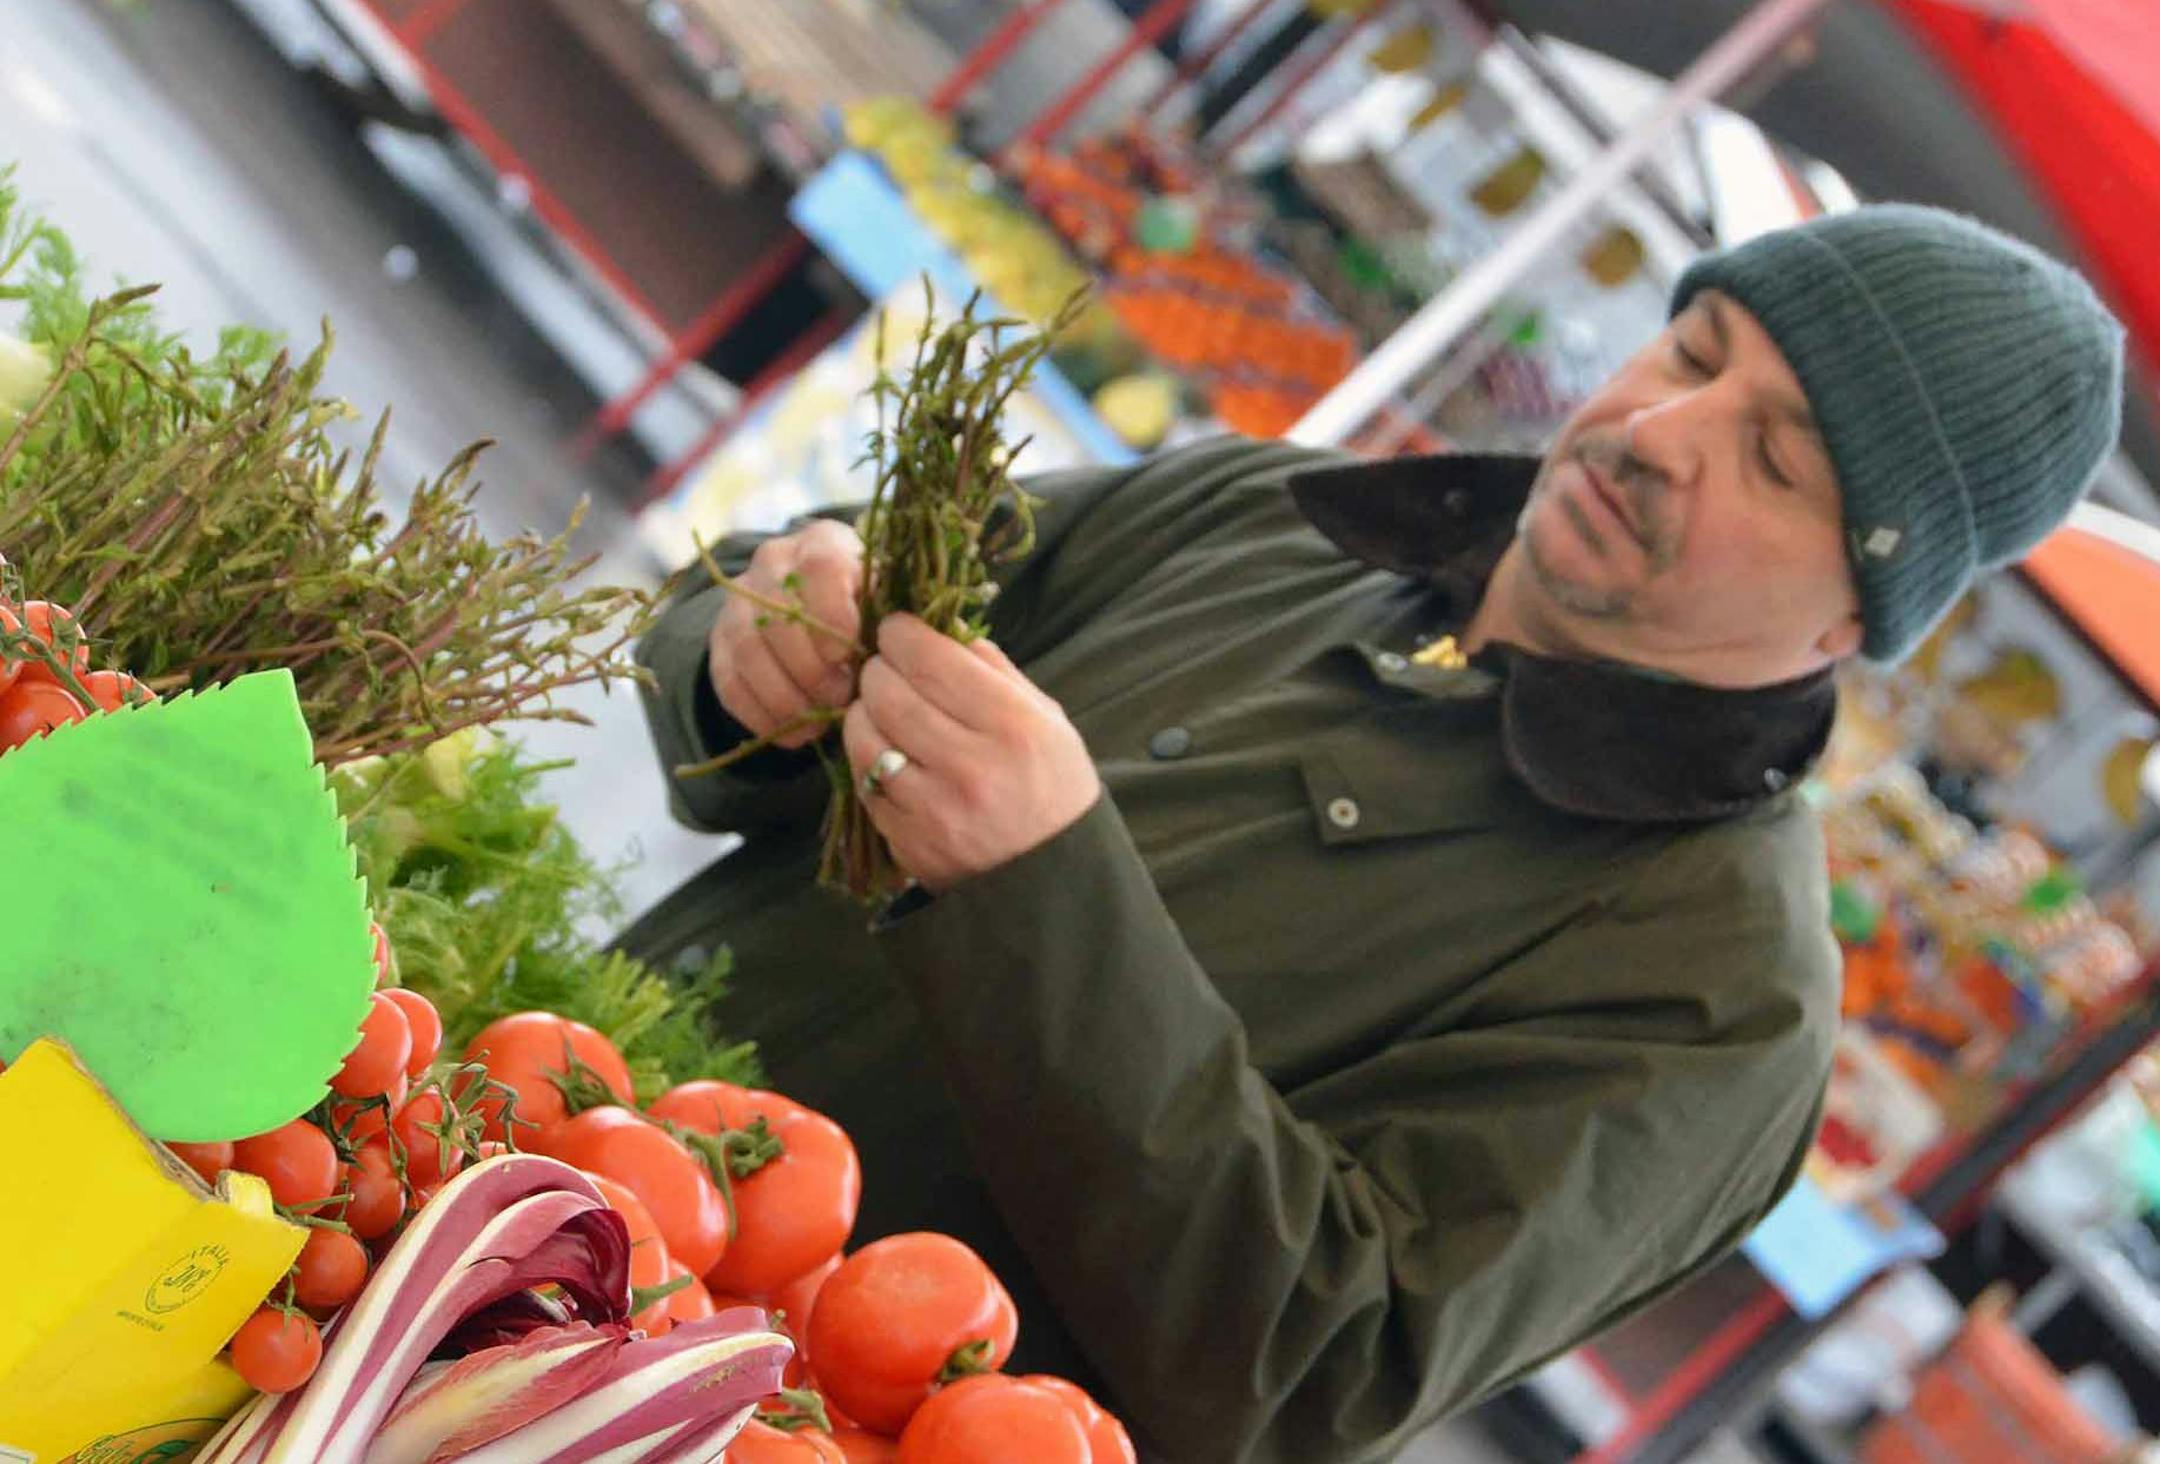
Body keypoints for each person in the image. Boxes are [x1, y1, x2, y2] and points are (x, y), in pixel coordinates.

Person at [621, 205, 2124, 1462]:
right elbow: (765, 637)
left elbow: (1307, 1369)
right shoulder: (1263, 510)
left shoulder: (1721, 1004)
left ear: (1856, 613)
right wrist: (755, 636)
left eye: (1778, 462)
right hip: (504, 1164)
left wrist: (1040, 891)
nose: (1660, 432)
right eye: (1693, 353)